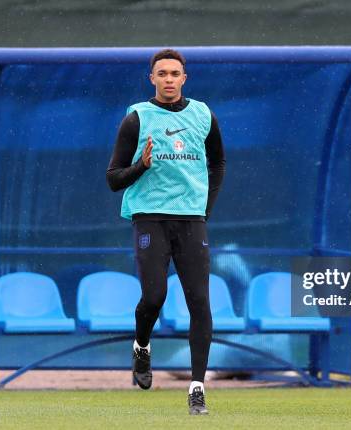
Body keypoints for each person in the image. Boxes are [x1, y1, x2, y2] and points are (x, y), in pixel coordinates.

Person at [106, 48, 226, 415]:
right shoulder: (137, 118)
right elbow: (113, 179)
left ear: (184, 78)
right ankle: (142, 345)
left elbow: (217, 161)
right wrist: (141, 166)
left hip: (191, 220)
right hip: (149, 217)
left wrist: (204, 209)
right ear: (152, 79)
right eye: (163, 73)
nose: (169, 79)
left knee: (199, 302)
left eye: (175, 73)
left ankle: (196, 388)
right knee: (154, 295)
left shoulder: (203, 114)